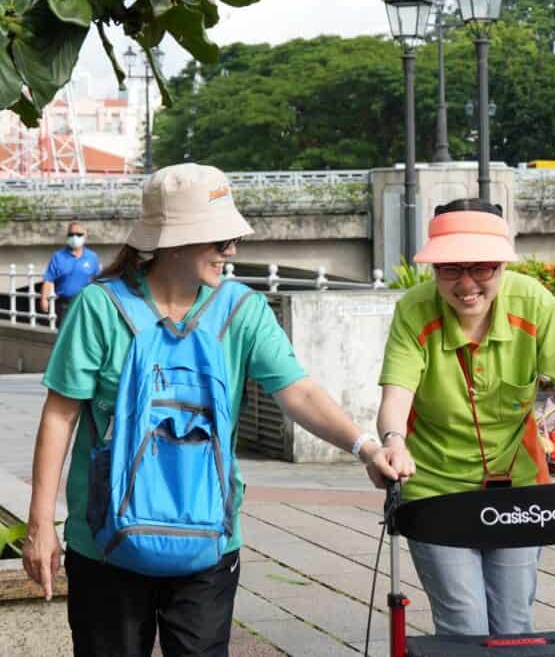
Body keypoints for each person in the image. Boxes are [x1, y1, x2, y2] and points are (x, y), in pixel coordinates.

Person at [22, 163, 414, 657]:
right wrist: (41, 526)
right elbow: (60, 416)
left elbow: (297, 391)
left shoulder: (242, 309)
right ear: (174, 241)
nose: (231, 250)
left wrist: (366, 447)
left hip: (207, 539)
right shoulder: (100, 308)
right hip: (104, 543)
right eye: (218, 238)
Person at [376, 198, 555, 636]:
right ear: (434, 270)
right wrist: (392, 441)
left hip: (517, 488)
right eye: (451, 268)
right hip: (434, 488)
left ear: (502, 266)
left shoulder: (533, 304)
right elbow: (396, 397)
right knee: (464, 626)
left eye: (481, 267)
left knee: (513, 626)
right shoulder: (415, 310)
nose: (467, 283)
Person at [39, 220, 101, 326]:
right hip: (64, 304)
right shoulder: (58, 257)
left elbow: (98, 282)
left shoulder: (92, 257)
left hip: (85, 304)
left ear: (85, 235)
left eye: (79, 234)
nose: (75, 237)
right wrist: (44, 299)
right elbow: (49, 280)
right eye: (71, 234)